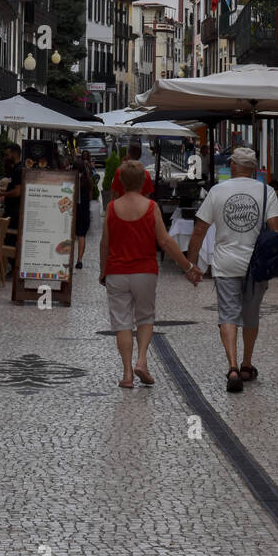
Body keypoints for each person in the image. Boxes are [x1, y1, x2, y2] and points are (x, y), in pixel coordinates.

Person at [100, 159, 202, 388]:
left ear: (121, 182)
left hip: (116, 272)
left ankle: (127, 374)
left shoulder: (112, 207)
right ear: (143, 181)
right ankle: (142, 361)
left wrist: (102, 270)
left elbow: (104, 243)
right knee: (145, 318)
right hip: (145, 272)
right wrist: (187, 266)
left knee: (122, 323)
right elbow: (165, 241)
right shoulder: (151, 206)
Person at [187, 145, 278, 393]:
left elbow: (199, 230)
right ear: (253, 169)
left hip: (225, 263)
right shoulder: (266, 191)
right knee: (251, 316)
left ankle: (232, 367)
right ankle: (247, 364)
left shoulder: (217, 191)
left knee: (228, 315)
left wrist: (191, 263)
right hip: (256, 266)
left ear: (232, 166)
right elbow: (276, 231)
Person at [74, 149, 94, 269]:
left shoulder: (73, 181)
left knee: (70, 236)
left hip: (74, 212)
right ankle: (79, 260)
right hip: (84, 212)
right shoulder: (87, 181)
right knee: (81, 236)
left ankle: (67, 257)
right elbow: (91, 198)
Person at [0, 144, 23, 231]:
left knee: (8, 238)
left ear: (14, 154)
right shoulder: (16, 169)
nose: (5, 158)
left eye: (7, 155)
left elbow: (17, 192)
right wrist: (0, 189)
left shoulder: (19, 170)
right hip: (11, 210)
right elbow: (14, 188)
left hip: (14, 212)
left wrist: (1, 193)